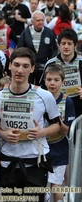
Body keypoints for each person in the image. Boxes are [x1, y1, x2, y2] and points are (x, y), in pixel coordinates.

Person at [0, 47, 61, 202]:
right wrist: (3, 134)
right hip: (9, 161)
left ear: (32, 69)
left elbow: (57, 126)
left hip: (36, 161)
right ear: (10, 66)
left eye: (25, 66)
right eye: (17, 65)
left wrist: (42, 132)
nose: (20, 70)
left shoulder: (44, 96)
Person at [42, 64, 75, 202]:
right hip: (41, 149)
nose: (52, 83)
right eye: (49, 79)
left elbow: (67, 130)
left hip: (59, 148)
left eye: (56, 80)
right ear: (44, 80)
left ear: (63, 82)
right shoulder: (39, 98)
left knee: (56, 187)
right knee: (42, 189)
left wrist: (56, 119)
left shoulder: (67, 101)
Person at [41, 28, 82, 117]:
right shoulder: (50, 63)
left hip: (78, 107)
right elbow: (42, 86)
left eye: (69, 44)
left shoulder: (81, 62)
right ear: (59, 45)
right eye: (63, 43)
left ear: (75, 45)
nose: (66, 47)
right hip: (56, 107)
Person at [17, 11, 58, 85]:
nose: (40, 22)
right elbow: (20, 49)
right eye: (38, 20)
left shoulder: (49, 32)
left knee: (42, 88)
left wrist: (51, 63)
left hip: (44, 67)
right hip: (29, 67)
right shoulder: (26, 32)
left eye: (42, 20)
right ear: (32, 21)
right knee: (29, 86)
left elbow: (54, 49)